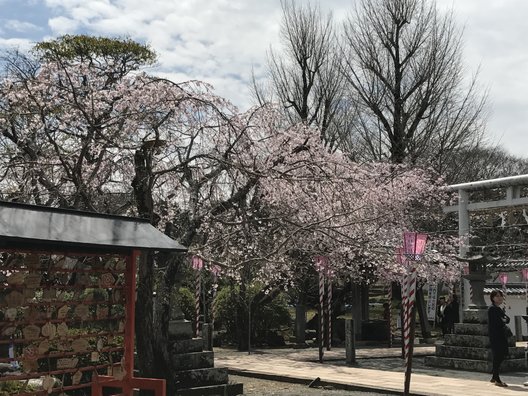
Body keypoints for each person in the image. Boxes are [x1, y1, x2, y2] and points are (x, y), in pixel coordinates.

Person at [488, 289, 510, 387]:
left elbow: (506, 319)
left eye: (500, 296)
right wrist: (504, 320)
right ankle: (497, 379)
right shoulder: (493, 309)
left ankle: (494, 376)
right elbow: (499, 322)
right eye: (497, 296)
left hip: (499, 335)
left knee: (499, 355)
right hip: (497, 335)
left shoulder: (498, 308)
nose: (499, 298)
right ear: (492, 298)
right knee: (499, 355)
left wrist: (504, 320)